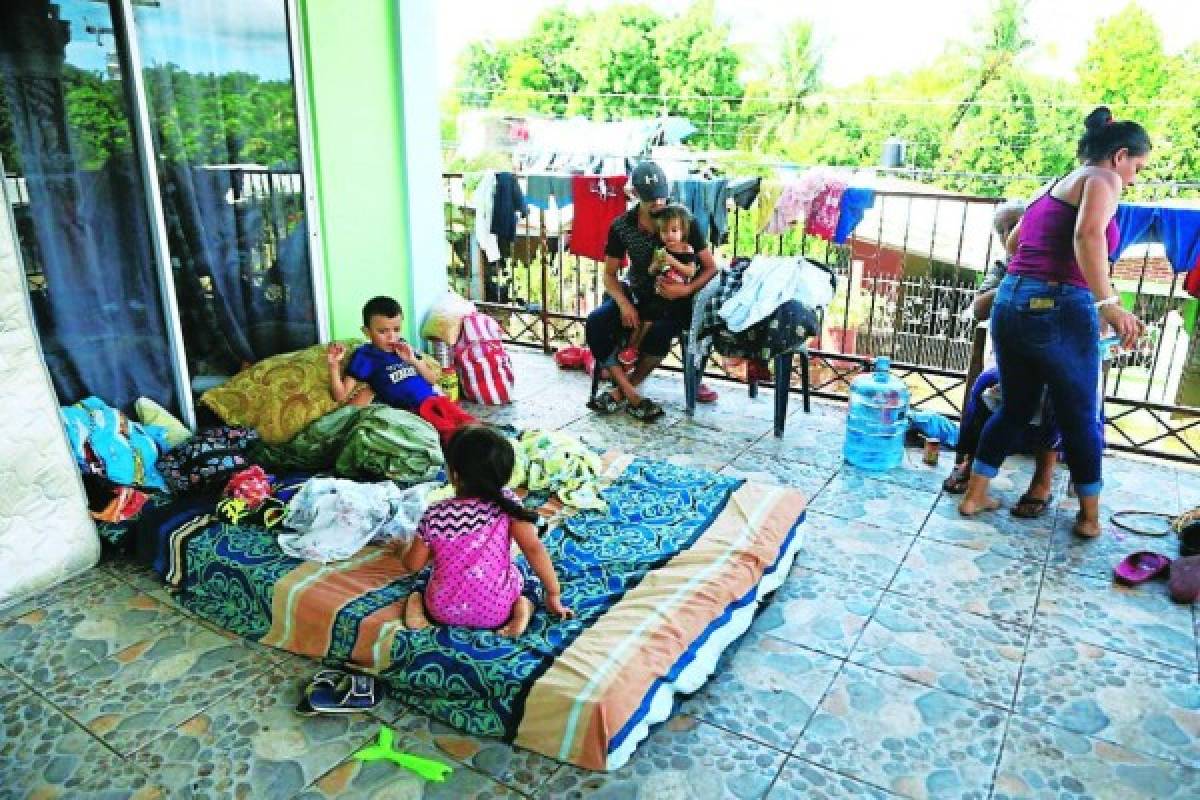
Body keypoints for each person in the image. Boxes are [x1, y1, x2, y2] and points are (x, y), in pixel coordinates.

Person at [959, 107, 1147, 538]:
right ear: (1120, 156)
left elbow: (1013, 241)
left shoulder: (1055, 185)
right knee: (1079, 413)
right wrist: (1108, 303)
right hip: (1061, 303)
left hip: (1011, 301)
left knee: (1015, 406)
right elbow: (1088, 236)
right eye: (1136, 167)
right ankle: (1089, 518)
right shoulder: (1104, 179)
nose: (1133, 179)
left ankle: (975, 495)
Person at [943, 201, 1062, 519]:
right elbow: (979, 308)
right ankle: (970, 462)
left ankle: (1042, 481)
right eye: (1006, 230)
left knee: (1056, 394)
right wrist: (1014, 279)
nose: (1014, 234)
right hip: (1012, 360)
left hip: (1057, 360)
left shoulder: (1059, 262)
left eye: (1019, 226)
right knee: (985, 384)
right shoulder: (1003, 266)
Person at [401, 424, 574, 637]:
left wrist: (404, 550)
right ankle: (522, 610)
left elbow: (412, 565)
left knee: (424, 577)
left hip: (443, 611)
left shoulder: (435, 514)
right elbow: (533, 548)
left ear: (454, 474)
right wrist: (554, 594)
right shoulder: (507, 503)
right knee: (527, 577)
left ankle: (416, 611)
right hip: (497, 611)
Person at [584, 161, 719, 420]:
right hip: (637, 294)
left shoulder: (682, 221)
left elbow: (710, 268)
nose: (658, 203)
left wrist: (686, 289)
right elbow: (609, 275)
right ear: (635, 195)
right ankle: (632, 396)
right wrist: (624, 304)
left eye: (661, 195)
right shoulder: (622, 226)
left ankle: (620, 394)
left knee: (659, 332)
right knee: (596, 322)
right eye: (650, 198)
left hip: (675, 301)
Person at [327, 295, 476, 445]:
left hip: (436, 401)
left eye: (397, 329)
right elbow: (340, 395)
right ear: (367, 332)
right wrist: (334, 366)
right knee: (454, 441)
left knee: (474, 430)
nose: (392, 337)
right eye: (383, 331)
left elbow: (432, 379)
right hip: (412, 412)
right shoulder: (365, 356)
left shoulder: (403, 346)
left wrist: (413, 360)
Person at [617, 204, 699, 366]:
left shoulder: (686, 249)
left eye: (674, 231)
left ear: (683, 232)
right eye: (664, 232)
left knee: (651, 319)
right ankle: (630, 349)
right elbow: (651, 271)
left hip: (676, 298)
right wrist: (656, 265)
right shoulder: (660, 250)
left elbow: (690, 272)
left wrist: (672, 261)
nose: (669, 236)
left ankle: (636, 348)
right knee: (641, 316)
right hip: (659, 292)